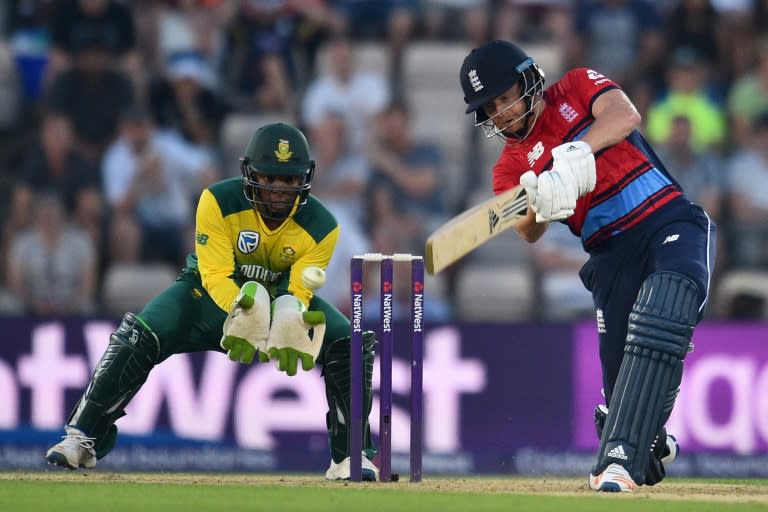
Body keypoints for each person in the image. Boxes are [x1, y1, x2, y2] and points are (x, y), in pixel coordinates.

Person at [45, 122, 380, 481]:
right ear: (251, 174)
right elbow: (215, 274)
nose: (280, 190)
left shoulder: (323, 224)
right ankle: (81, 437)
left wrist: (291, 312)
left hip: (278, 298)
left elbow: (299, 288)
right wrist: (244, 309)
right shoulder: (218, 201)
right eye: (270, 178)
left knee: (349, 341)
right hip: (204, 295)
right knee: (141, 333)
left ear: (305, 179)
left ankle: (352, 454)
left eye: (290, 180)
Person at [459, 40, 716, 492]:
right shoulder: (510, 167)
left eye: (504, 96)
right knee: (624, 402)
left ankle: (616, 464)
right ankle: (647, 441)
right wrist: (538, 199)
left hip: (668, 219)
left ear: (528, 80)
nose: (500, 112)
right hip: (610, 253)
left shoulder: (576, 87)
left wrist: (571, 156)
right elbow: (528, 231)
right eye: (490, 107)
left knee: (663, 312)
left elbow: (624, 117)